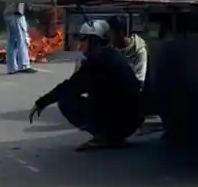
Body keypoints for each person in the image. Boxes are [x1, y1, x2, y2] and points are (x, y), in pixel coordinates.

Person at [29, 20, 144, 151]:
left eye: (83, 39)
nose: (80, 43)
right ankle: (111, 135)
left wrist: (41, 103)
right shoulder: (110, 55)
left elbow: (71, 87)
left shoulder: (98, 61)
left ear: (93, 41)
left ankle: (105, 136)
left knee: (66, 100)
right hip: (131, 120)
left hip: (123, 121)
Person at [4, 0, 36, 75]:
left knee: (12, 40)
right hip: (15, 11)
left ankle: (12, 67)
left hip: (12, 12)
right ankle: (24, 65)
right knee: (22, 38)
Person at [105, 16, 148, 85]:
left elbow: (139, 81)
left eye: (110, 33)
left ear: (120, 33)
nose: (108, 36)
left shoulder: (139, 51)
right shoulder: (110, 49)